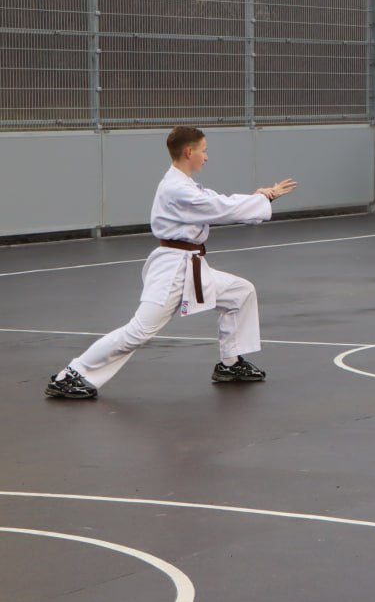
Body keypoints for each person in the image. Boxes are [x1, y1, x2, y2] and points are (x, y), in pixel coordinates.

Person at [44, 126, 296, 400]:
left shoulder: (184, 184)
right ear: (189, 152)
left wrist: (258, 197)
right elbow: (221, 208)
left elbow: (216, 202)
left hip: (190, 264)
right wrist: (265, 197)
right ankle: (71, 374)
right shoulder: (177, 189)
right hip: (173, 268)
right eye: (204, 151)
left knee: (240, 292)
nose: (206, 157)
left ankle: (230, 363)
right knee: (139, 331)